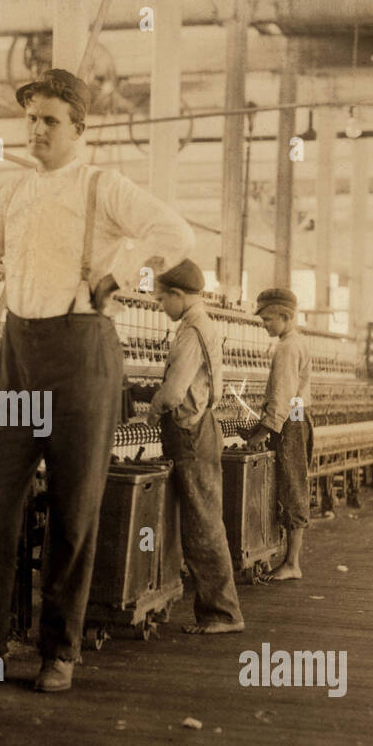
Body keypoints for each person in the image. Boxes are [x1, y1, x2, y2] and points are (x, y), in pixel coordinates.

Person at [0, 68, 194, 692]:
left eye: (50, 120)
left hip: (81, 357)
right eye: (31, 119)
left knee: (74, 509)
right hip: (20, 360)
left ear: (79, 128)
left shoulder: (102, 186)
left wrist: (120, 274)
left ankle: (60, 651)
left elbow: (175, 233)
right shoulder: (12, 196)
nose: (37, 131)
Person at [147, 259, 245, 634]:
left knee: (203, 524)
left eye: (161, 300)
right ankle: (198, 605)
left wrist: (151, 413)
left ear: (177, 295)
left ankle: (223, 613)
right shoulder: (201, 325)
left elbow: (173, 394)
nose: (160, 307)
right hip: (199, 430)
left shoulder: (191, 331)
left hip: (189, 432)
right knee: (196, 520)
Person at [245, 288, 312, 581]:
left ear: (285, 316)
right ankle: (285, 558)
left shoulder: (287, 348)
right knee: (289, 484)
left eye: (268, 319)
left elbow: (283, 395)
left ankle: (292, 563)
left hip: (290, 422)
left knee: (291, 487)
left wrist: (265, 430)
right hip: (295, 418)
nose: (265, 325)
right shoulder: (296, 342)